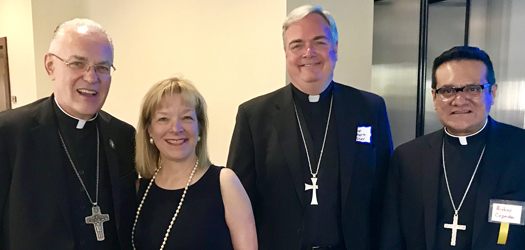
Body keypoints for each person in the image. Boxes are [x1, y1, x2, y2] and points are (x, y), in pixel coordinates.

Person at [227, 5, 393, 250]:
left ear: (335, 48)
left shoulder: (369, 109)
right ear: (286, 53)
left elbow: (385, 196)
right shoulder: (254, 116)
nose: (309, 52)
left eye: (319, 42)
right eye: (297, 45)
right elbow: (238, 203)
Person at [0, 19, 137, 249]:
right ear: (50, 66)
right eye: (77, 63)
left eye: (102, 67)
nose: (91, 78)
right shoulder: (9, 134)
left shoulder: (124, 136)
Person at [380, 46, 525, 249]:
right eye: (447, 91)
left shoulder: (520, 149)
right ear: (434, 97)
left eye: (473, 89)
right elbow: (391, 237)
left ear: (492, 92)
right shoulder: (408, 158)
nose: (459, 100)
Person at [132, 76, 257, 250]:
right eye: (163, 119)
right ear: (149, 130)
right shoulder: (139, 189)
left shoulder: (225, 183)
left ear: (200, 127)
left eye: (186, 118)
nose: (176, 128)